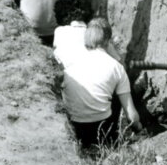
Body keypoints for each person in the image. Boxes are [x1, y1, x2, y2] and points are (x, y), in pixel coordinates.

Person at [54, 19, 140, 154]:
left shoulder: (71, 64)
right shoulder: (116, 67)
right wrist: (140, 131)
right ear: (108, 41)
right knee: (118, 93)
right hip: (102, 130)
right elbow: (132, 116)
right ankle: (113, 141)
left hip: (75, 129)